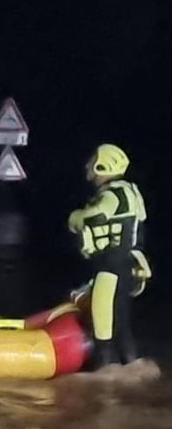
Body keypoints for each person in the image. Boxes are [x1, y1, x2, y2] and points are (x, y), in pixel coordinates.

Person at [67, 143, 148, 369]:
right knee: (121, 323)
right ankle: (132, 367)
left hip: (111, 267)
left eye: (93, 161)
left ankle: (104, 374)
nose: (88, 166)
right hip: (125, 266)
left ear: (104, 165)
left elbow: (94, 217)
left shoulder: (114, 194)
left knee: (102, 321)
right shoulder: (130, 191)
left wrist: (75, 217)